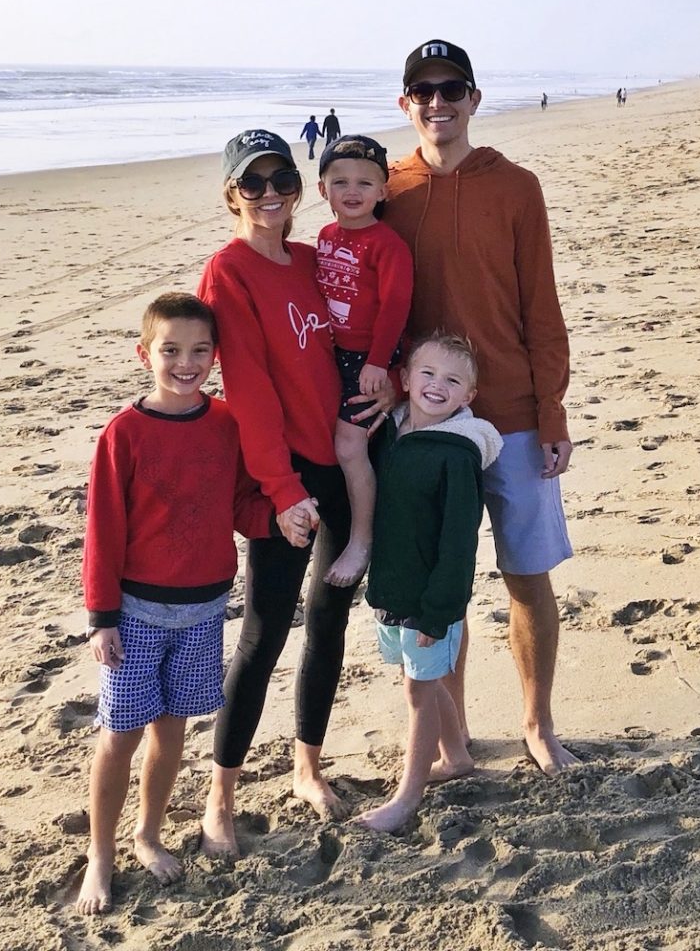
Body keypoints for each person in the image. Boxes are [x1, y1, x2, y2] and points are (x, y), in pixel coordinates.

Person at [195, 130, 393, 856]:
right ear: (232, 195)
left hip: (347, 464)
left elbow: (368, 337)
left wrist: (392, 382)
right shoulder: (229, 273)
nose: (271, 192)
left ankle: (307, 765)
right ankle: (220, 796)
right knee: (265, 630)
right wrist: (281, 491)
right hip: (285, 479)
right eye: (253, 183)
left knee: (330, 618)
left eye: (281, 176)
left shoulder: (316, 261)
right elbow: (247, 391)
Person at [382, 38, 576, 776]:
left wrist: (552, 411)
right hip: (428, 427)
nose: (438, 102)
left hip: (517, 413)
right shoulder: (388, 190)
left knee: (527, 574)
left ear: (473, 99)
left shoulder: (517, 187)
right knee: (445, 586)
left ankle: (537, 722)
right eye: (423, 90)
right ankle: (449, 738)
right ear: (406, 103)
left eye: (451, 88)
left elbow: (543, 308)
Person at [76, 292, 276, 915]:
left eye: (198, 351)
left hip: (204, 609)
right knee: (121, 733)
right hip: (134, 614)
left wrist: (285, 518)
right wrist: (102, 617)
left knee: (172, 728)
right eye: (170, 351)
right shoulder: (125, 432)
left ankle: (147, 834)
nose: (185, 363)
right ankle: (101, 854)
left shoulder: (225, 424)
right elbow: (103, 532)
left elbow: (241, 503)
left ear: (215, 356)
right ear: (145, 355)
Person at [356, 334, 502, 832]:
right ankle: (456, 756)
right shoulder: (392, 433)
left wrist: (441, 610)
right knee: (420, 678)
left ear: (469, 396)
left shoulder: (459, 453)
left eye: (453, 380)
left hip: (430, 601)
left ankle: (406, 797)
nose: (437, 386)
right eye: (428, 374)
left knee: (418, 692)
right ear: (405, 380)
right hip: (393, 589)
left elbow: (460, 542)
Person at [314, 135, 413, 586]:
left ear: (382, 191)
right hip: (334, 354)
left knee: (349, 447)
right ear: (323, 190)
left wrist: (378, 363)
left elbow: (395, 306)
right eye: (340, 182)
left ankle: (361, 540)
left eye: (364, 182)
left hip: (371, 356)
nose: (351, 191)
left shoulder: (386, 243)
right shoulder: (325, 236)